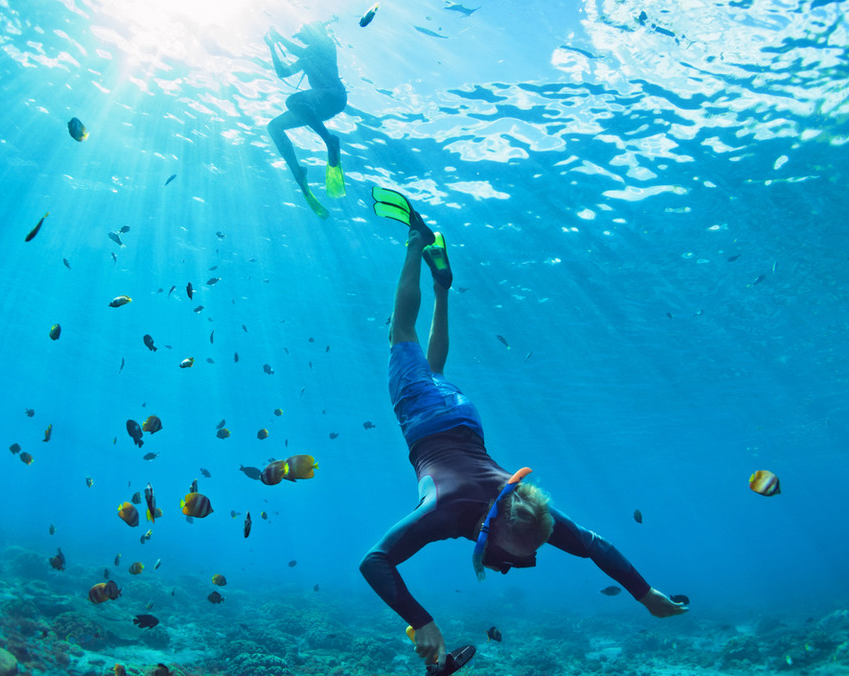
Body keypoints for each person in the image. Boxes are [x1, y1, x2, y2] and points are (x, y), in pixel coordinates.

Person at [359, 188, 689, 672]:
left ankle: (443, 287)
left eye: (521, 560)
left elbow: (595, 546)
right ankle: (414, 239)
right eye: (508, 557)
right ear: (490, 529)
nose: (509, 566)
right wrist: (421, 619)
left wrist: (647, 595)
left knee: (434, 367)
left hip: (464, 417)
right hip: (428, 420)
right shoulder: (449, 511)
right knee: (400, 336)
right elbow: (373, 562)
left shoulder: (523, 515)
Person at [263, 22, 347, 219]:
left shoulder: (326, 44)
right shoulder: (307, 55)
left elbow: (297, 50)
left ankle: (330, 141)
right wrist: (272, 47)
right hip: (317, 106)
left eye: (304, 35)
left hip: (333, 96)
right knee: (274, 126)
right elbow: (283, 72)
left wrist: (278, 37)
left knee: (293, 101)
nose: (302, 38)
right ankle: (297, 170)